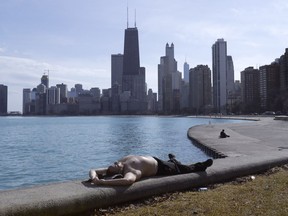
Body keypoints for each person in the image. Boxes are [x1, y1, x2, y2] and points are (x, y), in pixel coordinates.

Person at [88, 154, 213, 186]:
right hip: (162, 168)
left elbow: (94, 170)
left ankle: (173, 160)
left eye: (113, 163)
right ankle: (201, 166)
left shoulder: (122, 162)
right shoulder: (130, 172)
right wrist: (103, 182)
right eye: (114, 165)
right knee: (184, 169)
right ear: (117, 172)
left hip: (155, 159)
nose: (115, 163)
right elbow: (128, 181)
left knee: (174, 164)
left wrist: (94, 177)